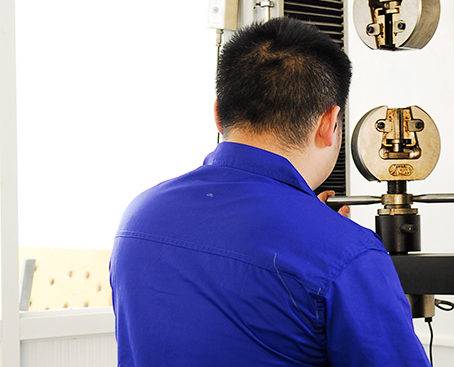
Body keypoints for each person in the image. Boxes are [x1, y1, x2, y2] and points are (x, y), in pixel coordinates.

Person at [110, 18, 430, 366]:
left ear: (218, 114)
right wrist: (326, 236)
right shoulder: (348, 253)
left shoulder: (138, 218)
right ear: (329, 122)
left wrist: (312, 228)